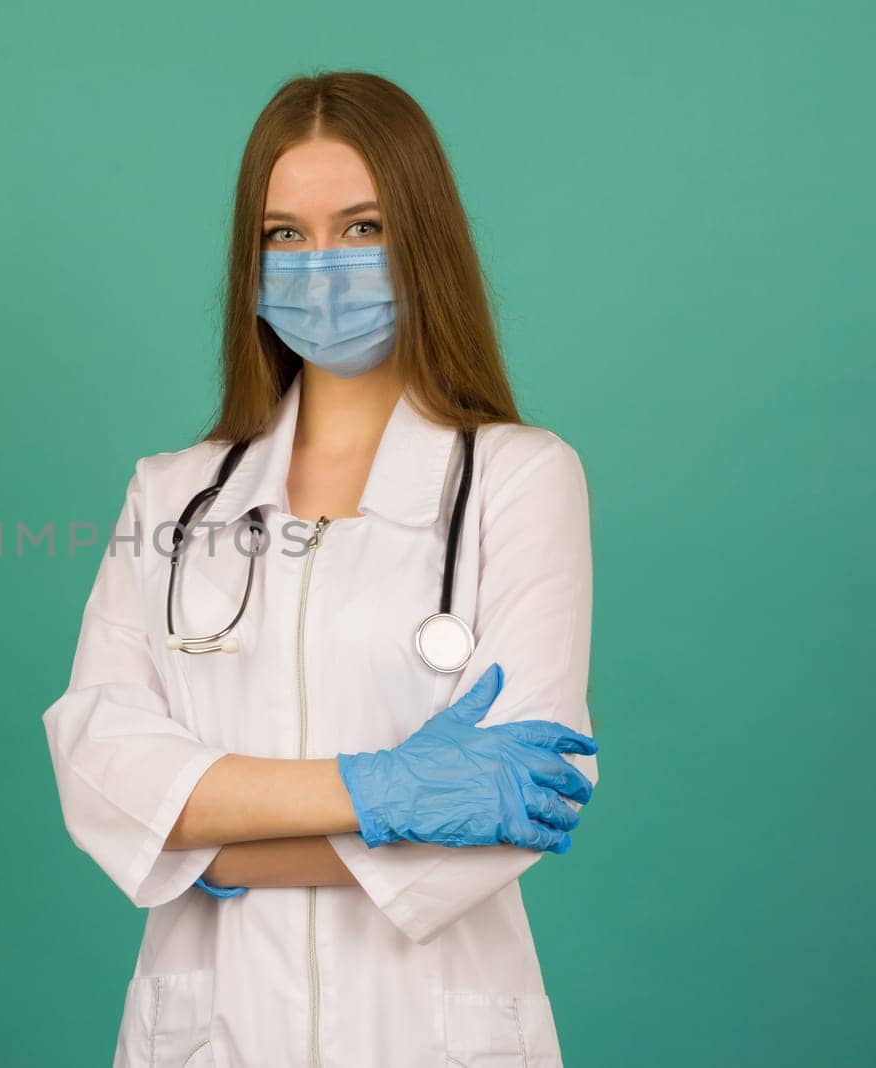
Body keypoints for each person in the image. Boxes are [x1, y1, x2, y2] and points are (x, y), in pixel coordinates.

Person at [40, 70, 602, 1067]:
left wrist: (211, 835)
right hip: (210, 1031)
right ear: (251, 259)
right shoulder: (173, 498)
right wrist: (382, 789)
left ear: (421, 240)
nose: (322, 264)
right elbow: (101, 773)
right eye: (285, 235)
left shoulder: (520, 478)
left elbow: (521, 805)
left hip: (434, 1029)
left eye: (363, 225)